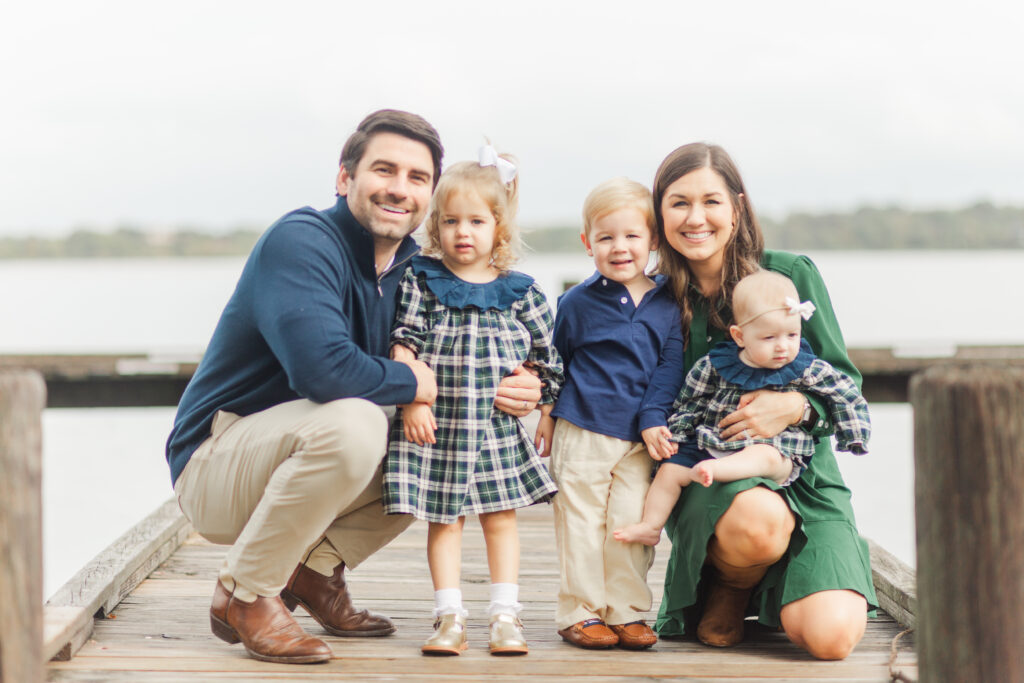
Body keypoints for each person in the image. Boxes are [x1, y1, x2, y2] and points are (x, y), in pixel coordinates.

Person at [165, 110, 543, 665]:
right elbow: (322, 372)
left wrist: (524, 382)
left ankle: (315, 571)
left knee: (443, 439)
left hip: (302, 455)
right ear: (345, 178)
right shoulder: (301, 242)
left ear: (430, 196)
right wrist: (411, 380)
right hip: (217, 464)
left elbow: (460, 361)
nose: (400, 188)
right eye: (384, 170)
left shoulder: (418, 272)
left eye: (417, 177)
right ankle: (246, 593)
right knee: (359, 420)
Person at [648, 142, 878, 660]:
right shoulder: (655, 297)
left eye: (711, 201)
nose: (695, 218)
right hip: (714, 472)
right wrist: (531, 383)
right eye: (679, 203)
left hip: (806, 472)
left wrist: (798, 407)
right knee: (759, 522)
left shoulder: (789, 275)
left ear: (737, 208)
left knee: (831, 638)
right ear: (659, 214)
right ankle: (731, 585)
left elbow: (842, 381)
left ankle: (815, 568)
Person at [382, 147, 562, 657]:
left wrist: (546, 409)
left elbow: (548, 360)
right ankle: (449, 616)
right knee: (444, 519)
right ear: (435, 226)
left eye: (477, 221)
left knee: (500, 519)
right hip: (439, 425)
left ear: (498, 228)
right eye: (451, 221)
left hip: (495, 428)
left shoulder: (521, 292)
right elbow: (404, 344)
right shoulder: (423, 280)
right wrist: (413, 402)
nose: (463, 232)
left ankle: (505, 614)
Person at [614, 269, 871, 546]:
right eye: (769, 338)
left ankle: (719, 470)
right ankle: (651, 526)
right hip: (714, 442)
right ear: (739, 336)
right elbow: (690, 403)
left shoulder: (806, 367)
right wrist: (676, 435)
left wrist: (854, 436)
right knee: (669, 472)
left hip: (776, 447)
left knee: (765, 457)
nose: (783, 347)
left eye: (792, 335)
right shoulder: (715, 365)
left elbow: (846, 394)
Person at [536, 178, 685, 651]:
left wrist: (654, 416)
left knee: (631, 520)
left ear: (653, 240)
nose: (619, 247)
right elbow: (554, 360)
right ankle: (580, 612)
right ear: (588, 243)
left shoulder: (669, 303)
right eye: (606, 237)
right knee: (581, 522)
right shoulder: (576, 303)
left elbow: (670, 366)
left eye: (631, 236)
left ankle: (626, 610)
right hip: (583, 427)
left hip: (641, 438)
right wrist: (546, 412)